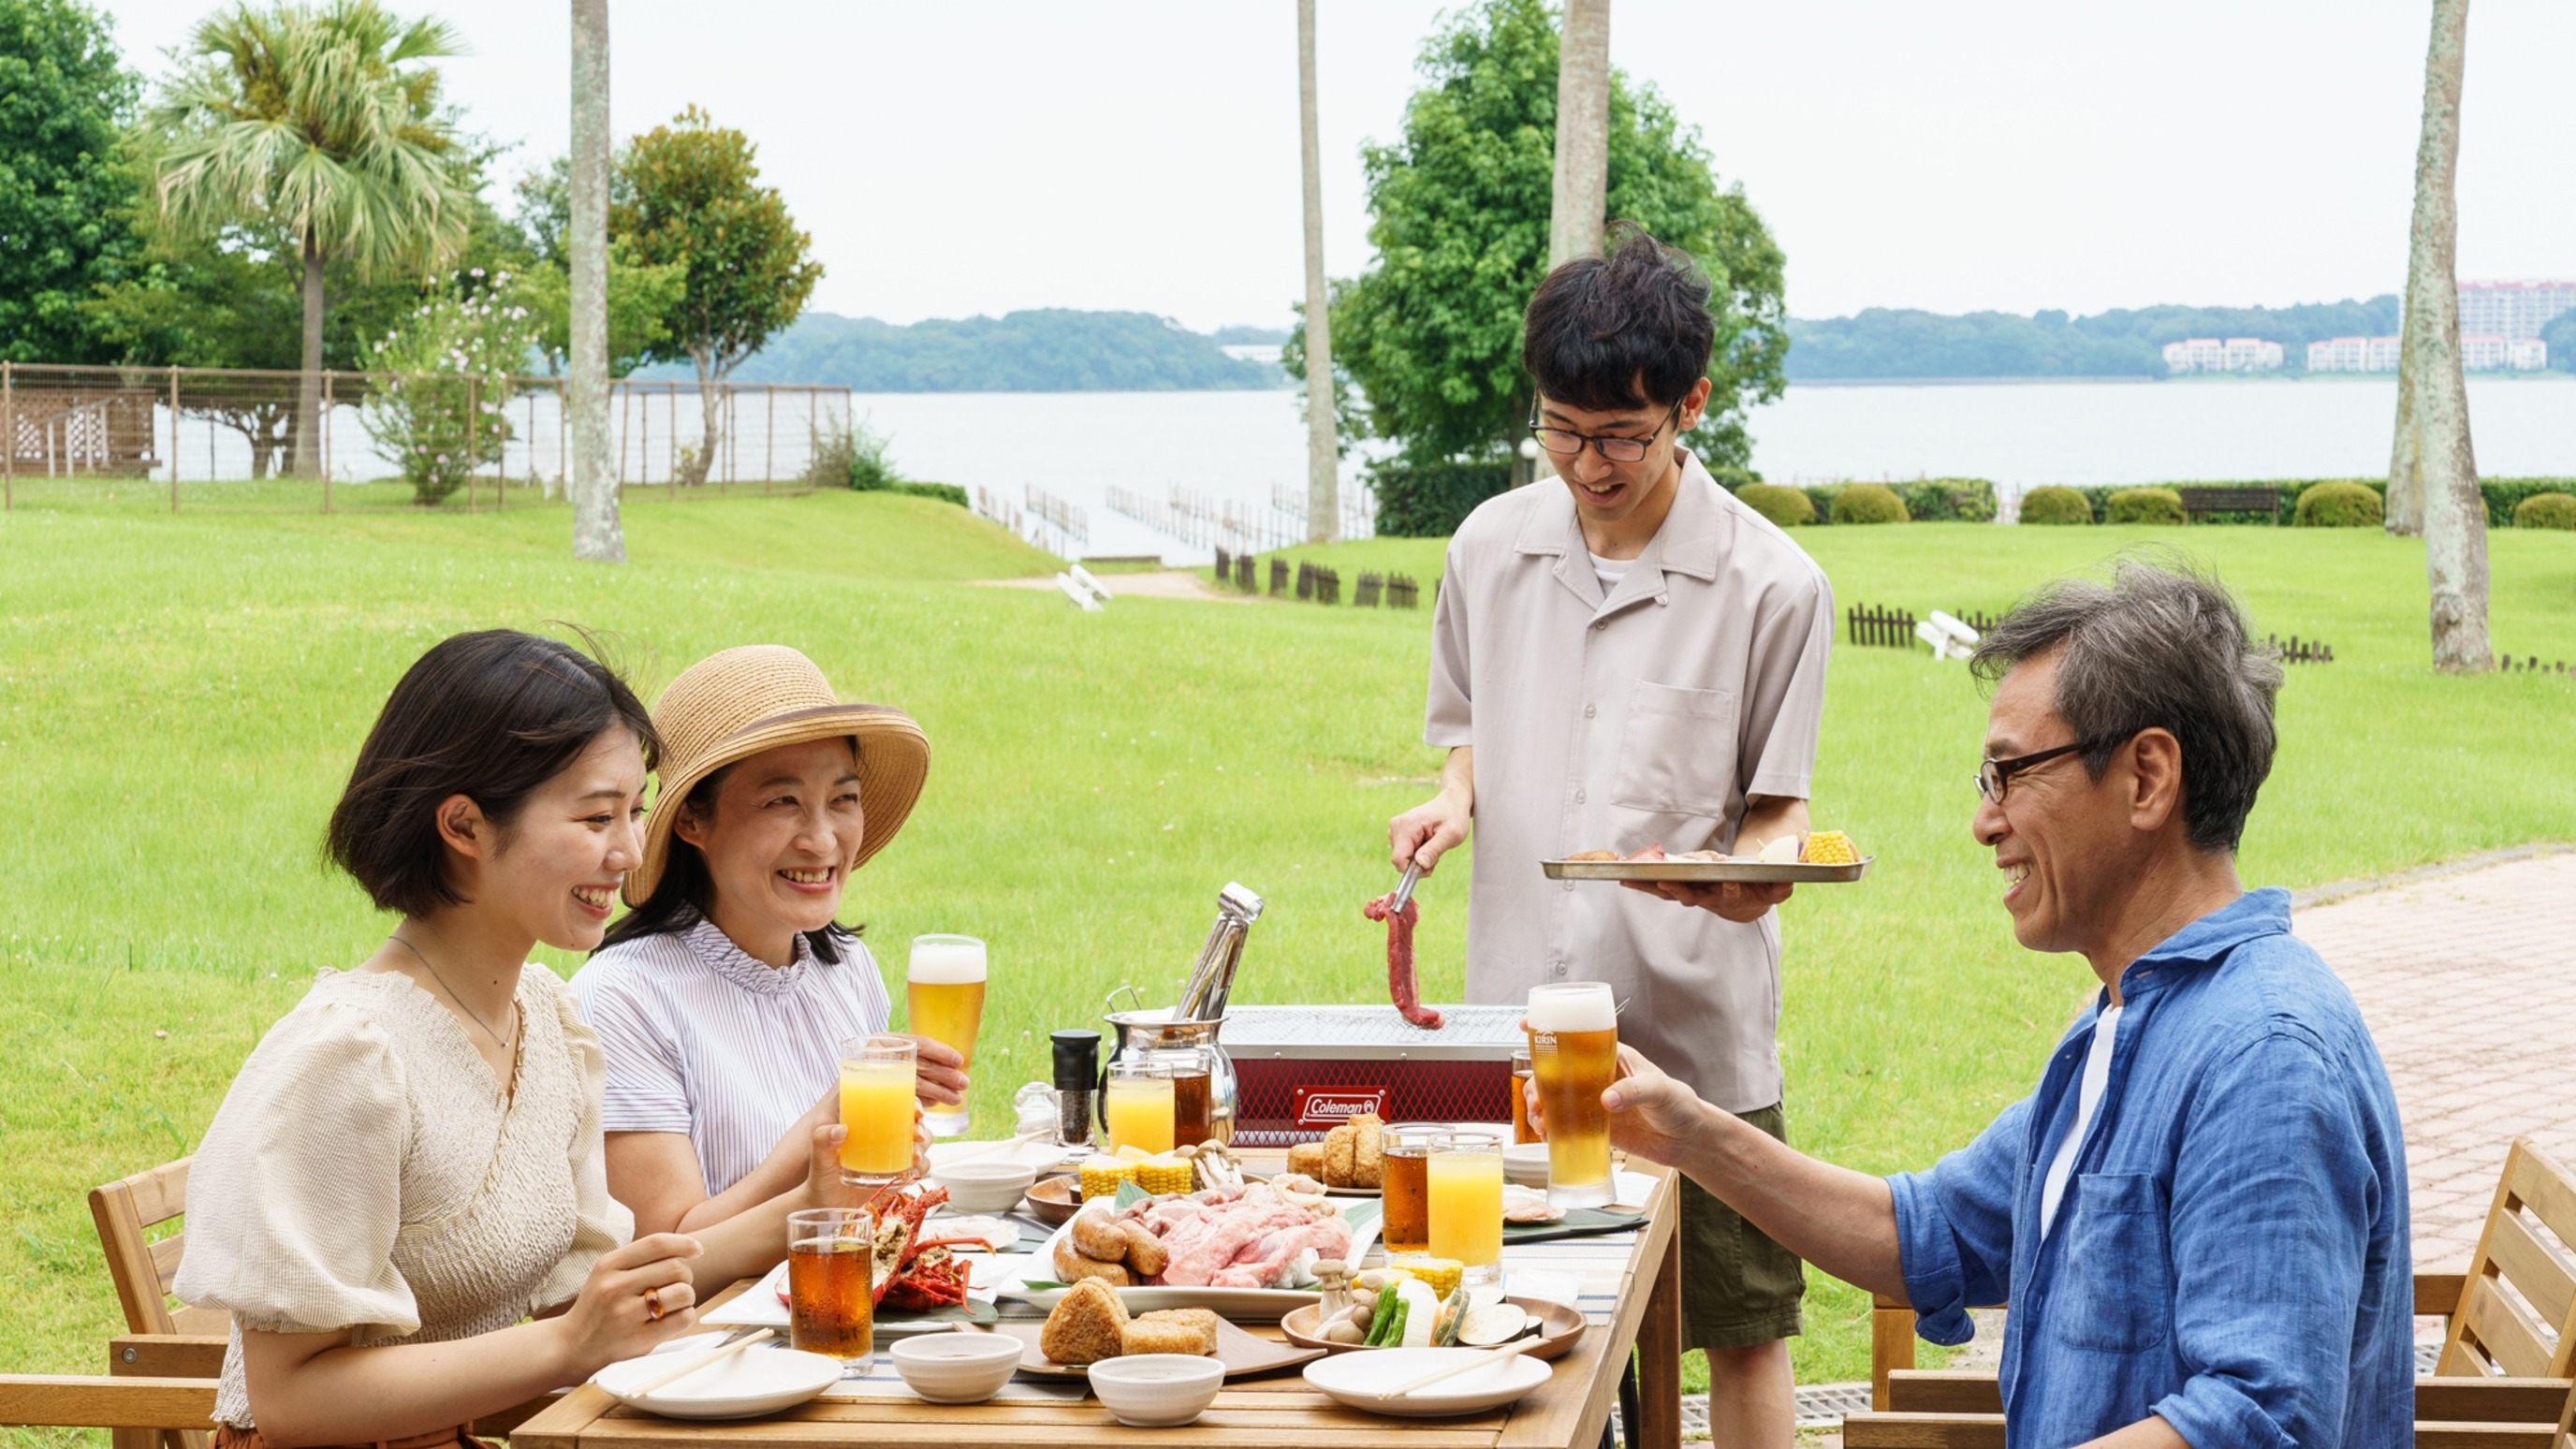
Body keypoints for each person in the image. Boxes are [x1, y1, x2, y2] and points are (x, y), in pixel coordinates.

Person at [1573, 563, 2411, 1449]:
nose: (1985, 821)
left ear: (2147, 778)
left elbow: (2259, 1420)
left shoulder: (2263, 1060)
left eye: (2010, 775)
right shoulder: (2131, 1018)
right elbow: (1928, 1231)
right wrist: (1690, 1137)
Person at [175, 630, 849, 1449]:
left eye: (635, 812)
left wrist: (817, 1209)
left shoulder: (549, 1023)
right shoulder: (348, 1059)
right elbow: (289, 1401)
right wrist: (567, 1345)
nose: (633, 851)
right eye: (597, 816)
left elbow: (586, 1299)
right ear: (463, 825)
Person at [1388, 227, 1832, 1443]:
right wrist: (1452, 800)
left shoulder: (1774, 586)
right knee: (1518, 1324)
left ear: (1691, 403)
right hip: (1518, 1034)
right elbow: (1468, 732)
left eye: (1622, 435)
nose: (1589, 463)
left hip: (1700, 1042)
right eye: (1562, 429)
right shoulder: (1487, 548)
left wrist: (1761, 875)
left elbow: (1778, 803)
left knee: (1741, 1334)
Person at [573, 645, 967, 1237]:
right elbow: (663, 1254)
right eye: (782, 802)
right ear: (692, 822)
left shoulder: (846, 967)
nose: (822, 839)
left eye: (843, 799)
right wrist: (826, 1126)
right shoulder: (623, 998)